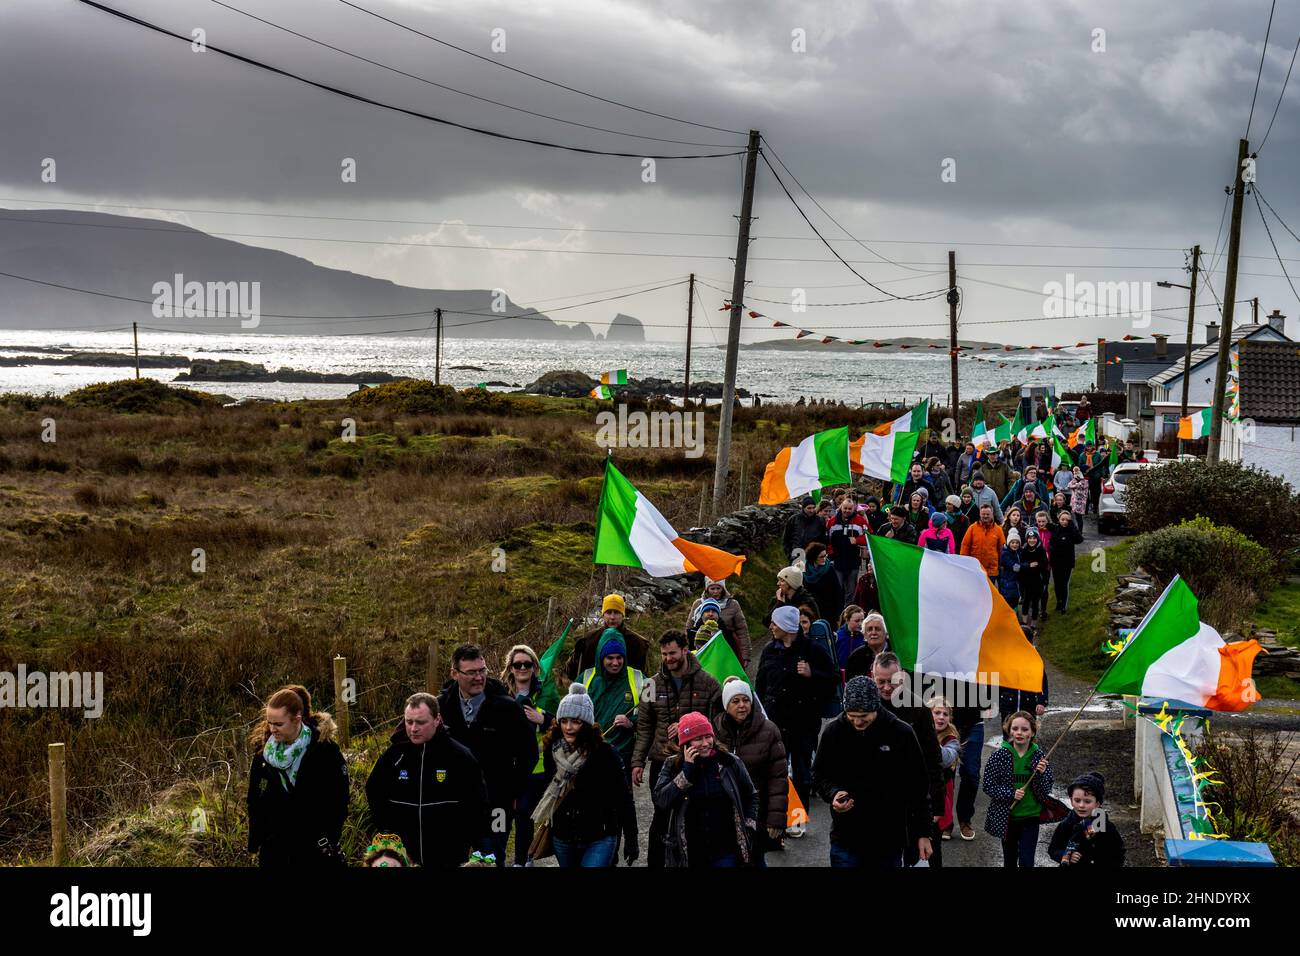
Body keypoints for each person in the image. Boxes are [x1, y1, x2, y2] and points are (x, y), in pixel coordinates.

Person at [812, 676, 933, 868]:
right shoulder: (834, 732)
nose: (857, 723)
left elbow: (918, 787)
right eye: (852, 717)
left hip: (888, 839)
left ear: (876, 708)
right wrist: (833, 793)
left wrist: (923, 833)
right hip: (846, 838)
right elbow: (819, 773)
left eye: (863, 717)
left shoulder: (901, 733)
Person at [438, 644, 537, 867]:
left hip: (497, 807)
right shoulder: (441, 708)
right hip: (454, 807)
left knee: (492, 859)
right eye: (471, 672)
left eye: (482, 670)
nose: (479, 677)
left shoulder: (507, 708)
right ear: (455, 673)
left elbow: (529, 753)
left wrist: (511, 790)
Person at [367, 692, 489, 867]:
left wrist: (470, 842)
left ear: (437, 720)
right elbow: (374, 791)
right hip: (404, 855)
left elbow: (478, 804)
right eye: (409, 722)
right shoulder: (394, 755)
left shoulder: (460, 757)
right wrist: (386, 830)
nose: (413, 728)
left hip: (448, 855)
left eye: (420, 722)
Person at [632, 629, 721, 867]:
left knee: (693, 816)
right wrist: (638, 762)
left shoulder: (709, 683)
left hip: (699, 762)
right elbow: (644, 726)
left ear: (684, 650)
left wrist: (689, 727)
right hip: (663, 762)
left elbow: (719, 725)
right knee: (661, 817)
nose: (668, 658)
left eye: (672, 653)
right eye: (663, 654)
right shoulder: (651, 684)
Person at [533, 683, 638, 867]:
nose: (569, 727)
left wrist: (631, 837)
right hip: (564, 837)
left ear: (587, 724)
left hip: (600, 836)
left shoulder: (606, 753)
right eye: (564, 721)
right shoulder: (552, 750)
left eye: (576, 721)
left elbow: (623, 797)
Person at [247, 684, 348, 868]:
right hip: (274, 853)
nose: (272, 729)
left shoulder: (324, 750)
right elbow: (254, 801)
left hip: (314, 853)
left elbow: (339, 800)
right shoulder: (262, 755)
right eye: (269, 722)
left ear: (297, 719)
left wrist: (327, 837)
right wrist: (256, 842)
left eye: (278, 724)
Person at [756, 604, 836, 831]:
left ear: (786, 626)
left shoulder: (813, 650)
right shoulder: (769, 650)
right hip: (775, 722)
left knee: (801, 773)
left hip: (804, 722)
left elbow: (832, 681)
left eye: (774, 623)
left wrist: (813, 674)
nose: (771, 627)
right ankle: (776, 821)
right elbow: (760, 685)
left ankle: (798, 819)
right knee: (776, 771)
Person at [653, 711, 759, 867]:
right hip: (691, 853)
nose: (705, 743)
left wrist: (749, 825)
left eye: (708, 737)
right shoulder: (672, 765)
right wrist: (686, 772)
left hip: (726, 851)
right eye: (697, 739)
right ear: (685, 743)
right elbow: (661, 800)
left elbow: (751, 795)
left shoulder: (729, 762)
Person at [872, 653, 946, 867]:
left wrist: (936, 807)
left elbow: (933, 760)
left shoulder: (919, 709)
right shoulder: (866, 707)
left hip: (916, 798)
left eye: (892, 682)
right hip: (880, 800)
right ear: (873, 676)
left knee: (925, 856)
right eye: (881, 682)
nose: (886, 688)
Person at [713, 678, 788, 865]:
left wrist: (776, 819)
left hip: (756, 814)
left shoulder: (769, 731)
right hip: (723, 815)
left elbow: (778, 778)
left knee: (755, 860)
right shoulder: (714, 731)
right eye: (735, 701)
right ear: (726, 704)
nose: (742, 706)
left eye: (746, 700)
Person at [501, 644, 553, 866]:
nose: (522, 668)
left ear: (534, 667)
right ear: (510, 668)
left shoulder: (547, 692)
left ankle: (525, 859)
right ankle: (509, 858)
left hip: (539, 767)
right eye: (517, 664)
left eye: (527, 664)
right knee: (512, 815)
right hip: (509, 767)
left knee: (525, 813)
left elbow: (566, 723)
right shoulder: (502, 694)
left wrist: (543, 719)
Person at [983, 711, 1053, 868]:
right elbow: (988, 785)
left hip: (1031, 816)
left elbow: (1045, 791)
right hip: (1008, 817)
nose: (1019, 733)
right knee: (1009, 860)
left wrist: (1041, 774)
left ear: (1033, 732)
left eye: (1025, 729)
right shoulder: (999, 755)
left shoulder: (1039, 756)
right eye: (1015, 728)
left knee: (1027, 861)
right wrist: (1011, 793)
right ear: (1009, 730)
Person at [1047, 772, 1125, 867]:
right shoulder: (1067, 824)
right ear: (1071, 801)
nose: (1081, 805)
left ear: (1098, 803)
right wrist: (1066, 856)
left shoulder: (1105, 826)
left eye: (1087, 801)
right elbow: (1053, 849)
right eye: (1077, 800)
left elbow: (1118, 852)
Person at [567, 594, 649, 677]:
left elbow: (643, 676)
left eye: (616, 612)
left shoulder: (637, 643)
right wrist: (576, 657)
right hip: (595, 688)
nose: (612, 617)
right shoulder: (588, 640)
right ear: (603, 614)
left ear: (623, 615)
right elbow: (571, 674)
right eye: (609, 612)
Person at [686, 579, 751, 669]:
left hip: (728, 646)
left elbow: (742, 630)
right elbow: (688, 629)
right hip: (702, 648)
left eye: (718, 588)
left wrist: (745, 655)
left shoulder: (733, 604)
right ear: (707, 589)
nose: (715, 592)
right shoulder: (698, 603)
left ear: (723, 588)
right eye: (712, 588)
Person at [826, 492, 869, 605]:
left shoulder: (860, 521)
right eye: (845, 508)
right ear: (841, 507)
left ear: (854, 508)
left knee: (851, 590)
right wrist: (831, 554)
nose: (847, 511)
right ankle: (838, 610)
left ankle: (848, 610)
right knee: (838, 588)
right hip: (837, 561)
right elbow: (827, 540)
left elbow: (869, 537)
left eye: (850, 509)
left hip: (853, 561)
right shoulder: (832, 521)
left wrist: (858, 540)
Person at [930, 697, 962, 841]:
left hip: (939, 794)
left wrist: (928, 737)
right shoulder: (915, 731)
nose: (941, 717)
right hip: (920, 792)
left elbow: (945, 759)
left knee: (934, 840)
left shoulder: (952, 740)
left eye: (945, 714)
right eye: (937, 713)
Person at [1048, 508, 1084, 612]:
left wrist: (1072, 525)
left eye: (1066, 520)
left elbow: (1079, 539)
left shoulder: (1071, 531)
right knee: (1057, 584)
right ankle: (1058, 602)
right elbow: (1044, 523)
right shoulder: (1055, 529)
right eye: (1062, 519)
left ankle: (1063, 605)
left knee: (1064, 583)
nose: (1064, 522)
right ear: (1059, 520)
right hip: (1055, 562)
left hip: (1067, 562)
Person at [960, 503, 1006, 581]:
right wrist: (965, 563)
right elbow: (965, 546)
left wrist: (1000, 565)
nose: (985, 516)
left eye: (987, 514)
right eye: (983, 514)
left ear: (992, 514)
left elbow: (1001, 550)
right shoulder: (972, 528)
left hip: (992, 571)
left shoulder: (998, 530)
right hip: (975, 569)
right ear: (980, 514)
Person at [801, 542, 844, 624]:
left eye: (825, 556)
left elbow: (838, 591)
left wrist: (838, 613)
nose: (824, 559)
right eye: (821, 557)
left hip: (828, 611)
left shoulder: (829, 569)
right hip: (810, 611)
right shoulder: (804, 570)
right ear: (813, 557)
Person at [843, 611, 890, 681]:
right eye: (869, 629)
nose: (873, 633)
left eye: (877, 629)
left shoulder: (896, 652)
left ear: (886, 633)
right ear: (864, 635)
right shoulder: (856, 656)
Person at [1018, 528, 1049, 628]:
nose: (1032, 540)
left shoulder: (1041, 550)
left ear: (1037, 539)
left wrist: (1038, 566)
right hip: (1026, 581)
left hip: (1038, 581)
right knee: (1026, 600)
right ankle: (1024, 622)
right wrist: (1029, 565)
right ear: (1027, 539)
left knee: (1035, 602)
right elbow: (1021, 564)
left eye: (1034, 538)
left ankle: (1033, 625)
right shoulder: (1024, 550)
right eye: (1030, 538)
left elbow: (1045, 565)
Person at [784, 496, 828, 560]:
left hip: (814, 557)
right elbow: (786, 539)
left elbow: (824, 540)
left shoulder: (820, 521)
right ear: (803, 508)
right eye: (809, 508)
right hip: (797, 556)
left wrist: (821, 554)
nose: (812, 510)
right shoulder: (793, 520)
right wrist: (789, 555)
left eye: (813, 507)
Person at [834, 604, 867, 672]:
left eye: (862, 620)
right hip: (842, 674)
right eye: (857, 621)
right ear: (847, 620)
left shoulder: (865, 636)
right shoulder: (837, 636)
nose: (861, 624)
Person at [998, 528, 1023, 616]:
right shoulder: (1005, 554)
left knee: (1015, 603)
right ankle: (1008, 619)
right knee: (1009, 603)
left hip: (1016, 584)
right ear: (1008, 543)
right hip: (1008, 584)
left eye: (1017, 543)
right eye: (1012, 542)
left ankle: (1014, 619)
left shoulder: (1019, 552)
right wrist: (1027, 565)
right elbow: (1015, 567)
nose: (1015, 545)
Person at [1067, 465, 1090, 535]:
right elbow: (1069, 485)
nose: (1076, 474)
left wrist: (1075, 485)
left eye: (1077, 473)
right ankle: (1075, 530)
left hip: (1081, 503)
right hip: (1074, 502)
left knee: (1079, 518)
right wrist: (1076, 484)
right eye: (1075, 473)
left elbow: (1080, 487)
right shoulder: (1074, 480)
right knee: (1074, 517)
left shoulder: (1085, 481)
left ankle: (1080, 531)